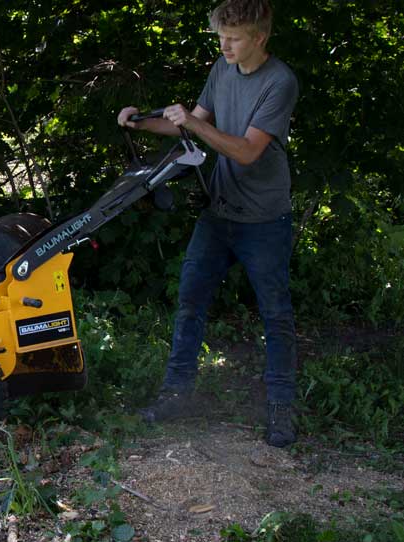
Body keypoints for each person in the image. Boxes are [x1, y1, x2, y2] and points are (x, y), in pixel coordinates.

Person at [117, 0, 299, 447]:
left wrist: (192, 127)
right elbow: (192, 124)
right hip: (219, 213)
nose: (225, 45)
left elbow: (246, 151)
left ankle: (280, 408)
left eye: (234, 38)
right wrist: (143, 120)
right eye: (221, 36)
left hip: (264, 219)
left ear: (260, 37)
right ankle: (176, 395)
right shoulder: (222, 68)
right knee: (190, 301)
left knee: (275, 316)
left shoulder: (280, 81)